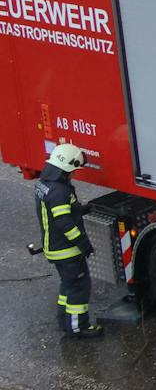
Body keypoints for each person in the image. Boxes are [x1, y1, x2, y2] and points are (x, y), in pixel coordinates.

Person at [34, 142, 102, 339]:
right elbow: (64, 223)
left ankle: (64, 320)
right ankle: (78, 327)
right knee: (79, 286)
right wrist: (83, 244)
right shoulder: (59, 191)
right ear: (66, 168)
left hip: (55, 247)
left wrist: (80, 210)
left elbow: (59, 213)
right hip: (66, 250)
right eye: (73, 170)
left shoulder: (45, 185)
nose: (74, 174)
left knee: (68, 285)